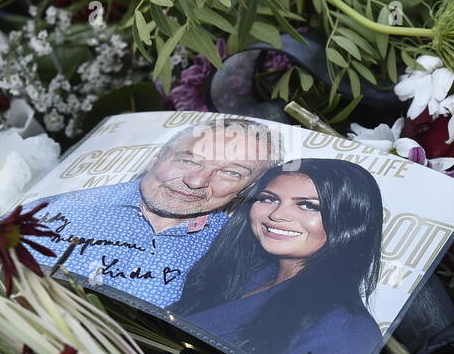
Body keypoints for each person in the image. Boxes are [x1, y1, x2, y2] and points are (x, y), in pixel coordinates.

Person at [169, 158, 384, 354]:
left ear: (350, 222)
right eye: (268, 199)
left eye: (309, 206)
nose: (277, 214)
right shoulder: (228, 279)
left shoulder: (348, 330)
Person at [22, 117, 282, 307]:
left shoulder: (241, 256)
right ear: (155, 158)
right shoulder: (52, 209)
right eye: (188, 160)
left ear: (248, 189)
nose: (196, 181)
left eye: (231, 173)